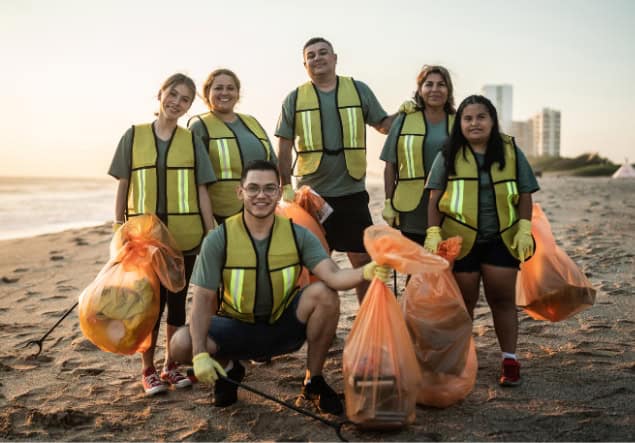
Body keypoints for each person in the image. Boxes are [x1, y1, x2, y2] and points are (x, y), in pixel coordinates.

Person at [169, 160, 390, 415]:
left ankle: (313, 381)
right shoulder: (219, 239)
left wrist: (366, 272)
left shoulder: (299, 234)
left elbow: (334, 276)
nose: (260, 195)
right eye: (253, 188)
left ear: (279, 191)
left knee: (325, 295)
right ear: (240, 192)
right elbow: (203, 300)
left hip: (283, 325)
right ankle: (229, 369)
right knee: (180, 344)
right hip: (236, 328)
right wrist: (198, 354)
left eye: (269, 188)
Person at [108, 73, 216, 396]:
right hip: (145, 240)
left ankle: (170, 365)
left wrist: (210, 231)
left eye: (185, 99)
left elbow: (202, 191)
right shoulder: (133, 135)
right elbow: (123, 186)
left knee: (178, 302)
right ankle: (148, 369)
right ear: (160, 94)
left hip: (185, 236)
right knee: (148, 304)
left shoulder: (191, 140)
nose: (177, 102)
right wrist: (118, 227)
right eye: (173, 94)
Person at [424, 94, 539, 387]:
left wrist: (525, 227)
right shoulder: (447, 154)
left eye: (481, 117)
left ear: (492, 120)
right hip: (460, 240)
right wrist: (433, 232)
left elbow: (525, 193)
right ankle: (462, 357)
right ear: (460, 123)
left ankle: (510, 360)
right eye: (468, 118)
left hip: (502, 238)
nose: (474, 123)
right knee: (465, 303)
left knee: (502, 300)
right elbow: (434, 196)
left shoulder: (511, 151)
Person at [275, 37, 394, 303]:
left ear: (335, 58)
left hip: (351, 192)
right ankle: (318, 321)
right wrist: (286, 187)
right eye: (311, 56)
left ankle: (366, 318)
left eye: (323, 53)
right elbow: (283, 148)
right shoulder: (294, 99)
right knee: (314, 264)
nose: (317, 59)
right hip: (311, 198)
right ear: (305, 64)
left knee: (363, 260)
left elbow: (384, 125)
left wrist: (408, 113)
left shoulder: (358, 89)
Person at [188, 68, 277, 224]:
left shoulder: (252, 122)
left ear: (237, 93)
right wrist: (209, 226)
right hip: (221, 215)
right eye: (218, 88)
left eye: (230, 88)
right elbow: (195, 180)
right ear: (208, 92)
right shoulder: (199, 126)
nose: (225, 92)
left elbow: (273, 162)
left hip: (261, 210)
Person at [381, 65, 456, 245]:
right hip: (411, 207)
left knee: (446, 262)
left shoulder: (459, 121)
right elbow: (390, 164)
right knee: (416, 266)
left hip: (449, 205)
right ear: (420, 91)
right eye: (429, 84)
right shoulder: (404, 119)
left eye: (441, 85)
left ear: (449, 90)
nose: (435, 90)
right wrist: (388, 202)